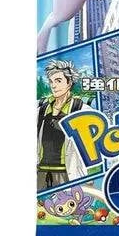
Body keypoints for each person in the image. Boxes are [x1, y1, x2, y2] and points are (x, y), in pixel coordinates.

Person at [37, 59, 88, 190]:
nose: (53, 86)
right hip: (40, 173)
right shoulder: (42, 108)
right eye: (51, 81)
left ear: (69, 83)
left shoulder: (80, 109)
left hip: (66, 174)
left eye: (58, 81)